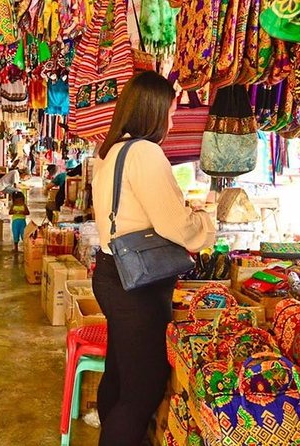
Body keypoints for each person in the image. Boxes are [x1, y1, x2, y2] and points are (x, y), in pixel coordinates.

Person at [91, 71, 215, 445]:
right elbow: (175, 225)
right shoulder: (145, 152)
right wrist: (208, 222)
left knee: (119, 374)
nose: (173, 122)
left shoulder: (111, 151)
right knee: (142, 390)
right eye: (171, 113)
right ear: (154, 111)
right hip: (138, 285)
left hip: (115, 273)